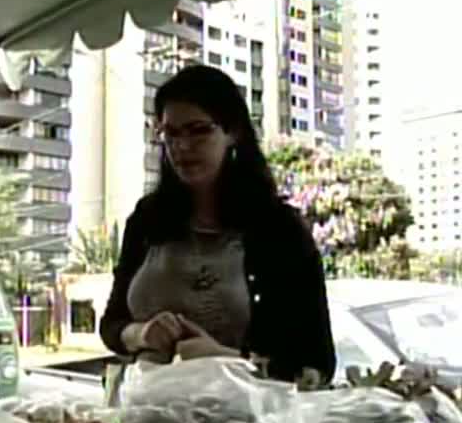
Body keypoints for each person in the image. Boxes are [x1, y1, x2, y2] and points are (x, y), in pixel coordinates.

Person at [99, 65, 336, 383]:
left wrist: (225, 359)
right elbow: (112, 323)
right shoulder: (147, 219)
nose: (182, 146)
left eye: (198, 130)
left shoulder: (280, 231)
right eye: (171, 133)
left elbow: (315, 363)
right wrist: (141, 334)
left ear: (232, 132)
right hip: (144, 416)